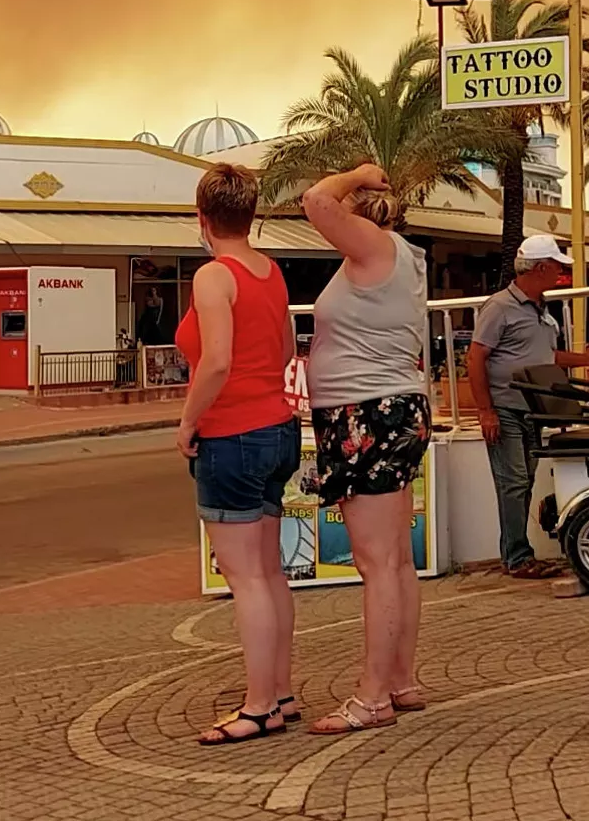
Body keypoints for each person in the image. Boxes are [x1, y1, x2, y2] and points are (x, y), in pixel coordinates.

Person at [300, 163, 431, 734]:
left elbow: (316, 201)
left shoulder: (373, 249)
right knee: (395, 558)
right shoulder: (401, 258)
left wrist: (354, 174)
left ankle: (372, 696)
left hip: (366, 414)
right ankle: (399, 679)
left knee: (377, 562)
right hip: (387, 408)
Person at [174, 162, 300, 745]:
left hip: (231, 434)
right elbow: (285, 350)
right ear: (251, 215)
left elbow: (217, 360)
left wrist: (188, 421)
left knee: (245, 577)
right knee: (269, 572)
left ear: (202, 218)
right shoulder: (269, 271)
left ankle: (258, 705)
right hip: (277, 426)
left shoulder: (213, 277)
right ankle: (280, 691)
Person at [466, 234, 589, 579]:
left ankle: (517, 555)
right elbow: (475, 357)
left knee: (522, 481)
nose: (560, 273)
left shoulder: (539, 308)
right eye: (557, 267)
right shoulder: (500, 307)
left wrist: (584, 359)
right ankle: (516, 557)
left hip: (530, 408)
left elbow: (545, 356)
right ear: (540, 268)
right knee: (514, 482)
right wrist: (486, 411)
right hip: (507, 407)